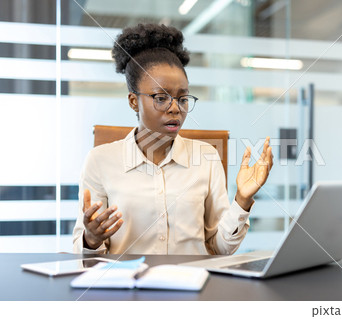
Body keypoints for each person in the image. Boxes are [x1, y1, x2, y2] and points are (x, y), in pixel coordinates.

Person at [72, 23, 273, 255]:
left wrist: (242, 200)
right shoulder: (99, 161)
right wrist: (92, 239)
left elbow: (220, 248)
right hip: (129, 287)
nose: (175, 108)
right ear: (133, 101)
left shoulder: (206, 157)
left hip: (193, 284)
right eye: (160, 98)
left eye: (183, 98)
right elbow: (85, 256)